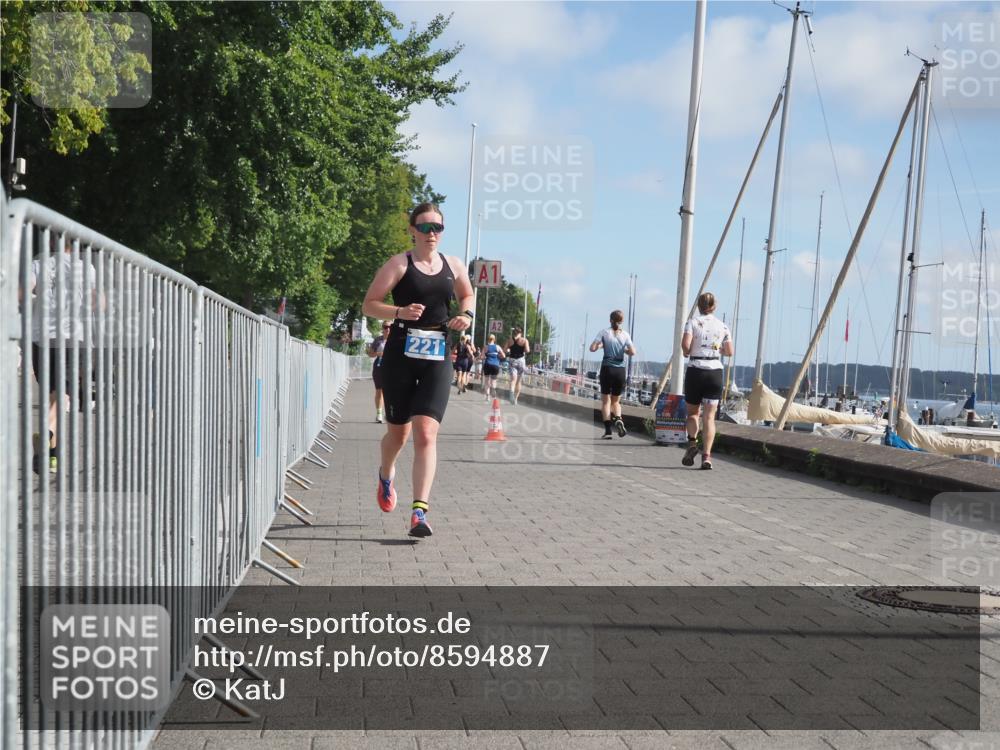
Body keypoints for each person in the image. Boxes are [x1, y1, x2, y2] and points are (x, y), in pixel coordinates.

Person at [361, 203, 475, 538]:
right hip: (400, 356)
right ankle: (386, 473)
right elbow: (369, 304)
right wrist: (398, 312)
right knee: (399, 435)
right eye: (424, 227)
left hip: (437, 355)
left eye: (437, 228)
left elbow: (467, 294)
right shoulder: (399, 264)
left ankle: (419, 513)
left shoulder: (453, 265)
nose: (431, 234)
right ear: (412, 229)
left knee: (426, 433)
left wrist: (466, 316)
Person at [28, 236, 98, 474]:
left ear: (51, 243)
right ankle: (45, 433)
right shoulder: (86, 268)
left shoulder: (38, 264)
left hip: (41, 337)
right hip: (72, 337)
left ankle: (49, 456)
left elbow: (23, 290)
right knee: (61, 395)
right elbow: (92, 300)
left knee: (53, 396)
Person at [680, 293, 733, 470]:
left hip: (696, 370)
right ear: (714, 306)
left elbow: (686, 347)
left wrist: (688, 352)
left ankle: (692, 444)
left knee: (693, 413)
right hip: (715, 372)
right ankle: (707, 457)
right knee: (709, 418)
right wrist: (717, 349)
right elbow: (729, 351)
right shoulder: (723, 326)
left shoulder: (692, 322)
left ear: (699, 306)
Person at [590, 310, 636, 439]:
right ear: (621, 321)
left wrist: (600, 346)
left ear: (610, 320)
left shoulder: (604, 332)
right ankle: (619, 419)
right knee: (616, 401)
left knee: (606, 401)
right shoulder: (625, 335)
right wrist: (624, 351)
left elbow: (592, 348)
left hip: (607, 369)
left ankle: (608, 430)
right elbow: (632, 352)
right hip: (620, 371)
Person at [367, 321, 391, 422]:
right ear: (382, 328)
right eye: (385, 327)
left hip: (393, 368)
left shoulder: (396, 339)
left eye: (390, 326)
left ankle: (391, 414)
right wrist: (378, 353)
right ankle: (379, 414)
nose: (388, 329)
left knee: (391, 392)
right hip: (379, 367)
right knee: (379, 391)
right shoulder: (378, 340)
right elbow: (370, 354)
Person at [505, 327, 530, 405]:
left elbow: (504, 350)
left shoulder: (509, 340)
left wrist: (509, 350)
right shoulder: (524, 340)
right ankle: (515, 399)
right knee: (519, 381)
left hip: (512, 360)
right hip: (521, 361)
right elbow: (527, 350)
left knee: (513, 379)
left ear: (514, 333)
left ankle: (511, 393)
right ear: (521, 333)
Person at [480, 333, 505, 401]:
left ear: (488, 339)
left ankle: (487, 396)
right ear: (494, 340)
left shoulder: (486, 347)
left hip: (487, 364)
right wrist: (498, 357)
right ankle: (493, 388)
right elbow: (504, 356)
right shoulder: (497, 347)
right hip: (495, 365)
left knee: (487, 381)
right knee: (493, 381)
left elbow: (481, 357)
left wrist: (485, 356)